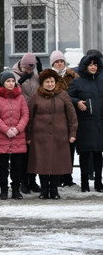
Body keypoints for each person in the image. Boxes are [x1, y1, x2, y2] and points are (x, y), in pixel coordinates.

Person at [27, 69, 78, 199]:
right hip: (40, 136)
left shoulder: (63, 95)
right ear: (42, 83)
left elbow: (72, 116)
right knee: (42, 162)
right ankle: (44, 189)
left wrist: (72, 133)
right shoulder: (36, 97)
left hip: (59, 136)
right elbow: (30, 118)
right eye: (47, 81)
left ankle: (54, 189)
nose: (50, 84)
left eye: (52, 81)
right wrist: (28, 136)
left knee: (57, 162)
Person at [67, 53, 103, 193]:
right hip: (84, 123)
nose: (93, 67)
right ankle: (84, 183)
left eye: (95, 64)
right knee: (85, 153)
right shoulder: (78, 82)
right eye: (90, 65)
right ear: (85, 66)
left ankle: (99, 183)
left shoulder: (101, 81)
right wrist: (77, 102)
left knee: (98, 154)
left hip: (99, 122)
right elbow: (68, 97)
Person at [0, 71, 28, 200]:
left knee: (17, 165)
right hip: (2, 136)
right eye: (8, 81)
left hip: (18, 136)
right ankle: (3, 189)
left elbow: (25, 115)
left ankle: (16, 189)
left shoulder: (21, 97)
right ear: (3, 83)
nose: (11, 83)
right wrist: (6, 130)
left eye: (13, 81)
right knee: (2, 166)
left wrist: (18, 129)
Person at [12, 53, 41, 194]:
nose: (29, 72)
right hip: (19, 118)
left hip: (35, 117)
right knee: (22, 153)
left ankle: (32, 180)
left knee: (33, 152)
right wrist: (21, 81)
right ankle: (23, 181)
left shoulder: (36, 76)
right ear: (22, 66)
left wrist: (41, 72)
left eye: (32, 69)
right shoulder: (13, 75)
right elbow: (10, 91)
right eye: (27, 69)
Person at [50, 50, 80, 188]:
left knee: (70, 147)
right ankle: (58, 176)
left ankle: (68, 176)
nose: (60, 64)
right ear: (53, 64)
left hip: (71, 113)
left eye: (61, 61)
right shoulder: (49, 77)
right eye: (57, 62)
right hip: (55, 115)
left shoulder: (73, 76)